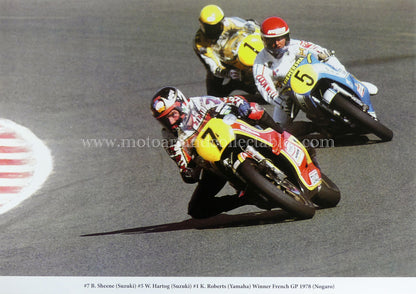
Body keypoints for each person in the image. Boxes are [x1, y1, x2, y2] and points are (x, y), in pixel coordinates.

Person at [150, 86, 283, 219]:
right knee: (196, 209)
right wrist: (189, 171)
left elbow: (232, 101)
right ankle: (247, 197)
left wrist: (239, 106)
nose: (171, 122)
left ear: (182, 105)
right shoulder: (170, 138)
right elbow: (187, 173)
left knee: (253, 109)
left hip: (233, 137)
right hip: (213, 162)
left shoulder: (199, 103)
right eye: (164, 120)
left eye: (173, 115)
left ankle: (281, 135)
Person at [253, 16, 378, 133]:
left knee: (332, 64)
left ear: (287, 36)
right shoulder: (260, 62)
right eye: (271, 40)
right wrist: (279, 101)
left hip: (312, 75)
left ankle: (354, 83)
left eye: (280, 38)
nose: (277, 43)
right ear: (264, 41)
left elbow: (315, 49)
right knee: (279, 130)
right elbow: (264, 86)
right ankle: (314, 126)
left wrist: (326, 56)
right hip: (288, 93)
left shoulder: (295, 45)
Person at [193, 4, 261, 98]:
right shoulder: (200, 43)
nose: (212, 31)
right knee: (214, 95)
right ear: (201, 24)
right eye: (208, 27)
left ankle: (254, 80)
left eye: (215, 26)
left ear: (222, 21)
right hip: (225, 62)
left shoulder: (230, 23)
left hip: (245, 52)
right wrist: (228, 73)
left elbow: (254, 26)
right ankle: (235, 84)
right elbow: (214, 66)